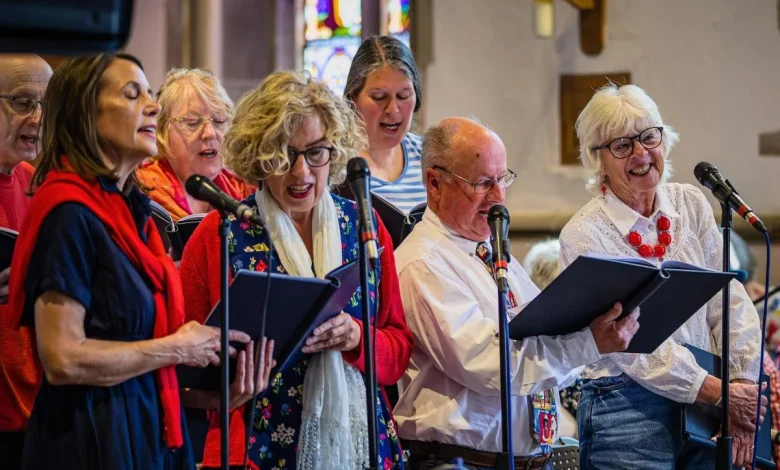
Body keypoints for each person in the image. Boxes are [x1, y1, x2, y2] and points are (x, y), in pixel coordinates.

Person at [4, 53, 268, 470]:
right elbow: (63, 359)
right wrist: (176, 347)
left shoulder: (131, 210)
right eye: (132, 94)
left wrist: (212, 394)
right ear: (85, 114)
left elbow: (136, 350)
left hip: (145, 428)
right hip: (90, 439)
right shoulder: (67, 212)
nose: (153, 105)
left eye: (149, 92)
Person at [180, 71, 413, 470]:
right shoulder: (219, 234)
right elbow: (179, 371)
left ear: (335, 152)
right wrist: (226, 386)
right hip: (255, 442)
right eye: (284, 156)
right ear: (258, 156)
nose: (301, 172)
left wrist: (357, 336)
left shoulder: (363, 225)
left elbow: (399, 352)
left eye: (316, 153)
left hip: (361, 445)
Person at [393, 117, 640, 470]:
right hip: (462, 462)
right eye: (481, 183)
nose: (497, 197)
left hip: (527, 459)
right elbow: (487, 364)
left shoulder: (488, 249)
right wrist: (588, 343)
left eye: (501, 179)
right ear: (435, 182)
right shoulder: (422, 263)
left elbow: (544, 332)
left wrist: (590, 325)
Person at [558, 83, 765, 469]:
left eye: (649, 136)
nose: (641, 153)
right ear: (596, 157)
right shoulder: (585, 234)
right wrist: (717, 392)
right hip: (626, 409)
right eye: (621, 145)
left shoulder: (691, 203)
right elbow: (627, 344)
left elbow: (728, 299)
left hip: (710, 403)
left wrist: (743, 388)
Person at [0, 53, 52, 470]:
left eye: (45, 105)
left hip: (36, 410)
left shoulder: (37, 185)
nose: (37, 118)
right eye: (21, 102)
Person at [136, 68, 254, 221]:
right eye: (192, 122)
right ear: (162, 131)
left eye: (219, 121)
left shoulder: (243, 192)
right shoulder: (141, 190)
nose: (210, 133)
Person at [344, 35, 425, 213]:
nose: (393, 109)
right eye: (379, 97)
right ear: (353, 98)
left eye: (403, 96)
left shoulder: (430, 157)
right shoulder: (334, 162)